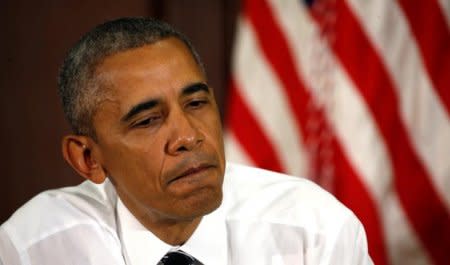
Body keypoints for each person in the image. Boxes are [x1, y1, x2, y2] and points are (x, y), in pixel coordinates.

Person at [0, 17, 373, 265]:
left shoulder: (314, 231)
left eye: (196, 103)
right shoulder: (32, 248)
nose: (189, 136)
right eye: (147, 121)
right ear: (87, 158)